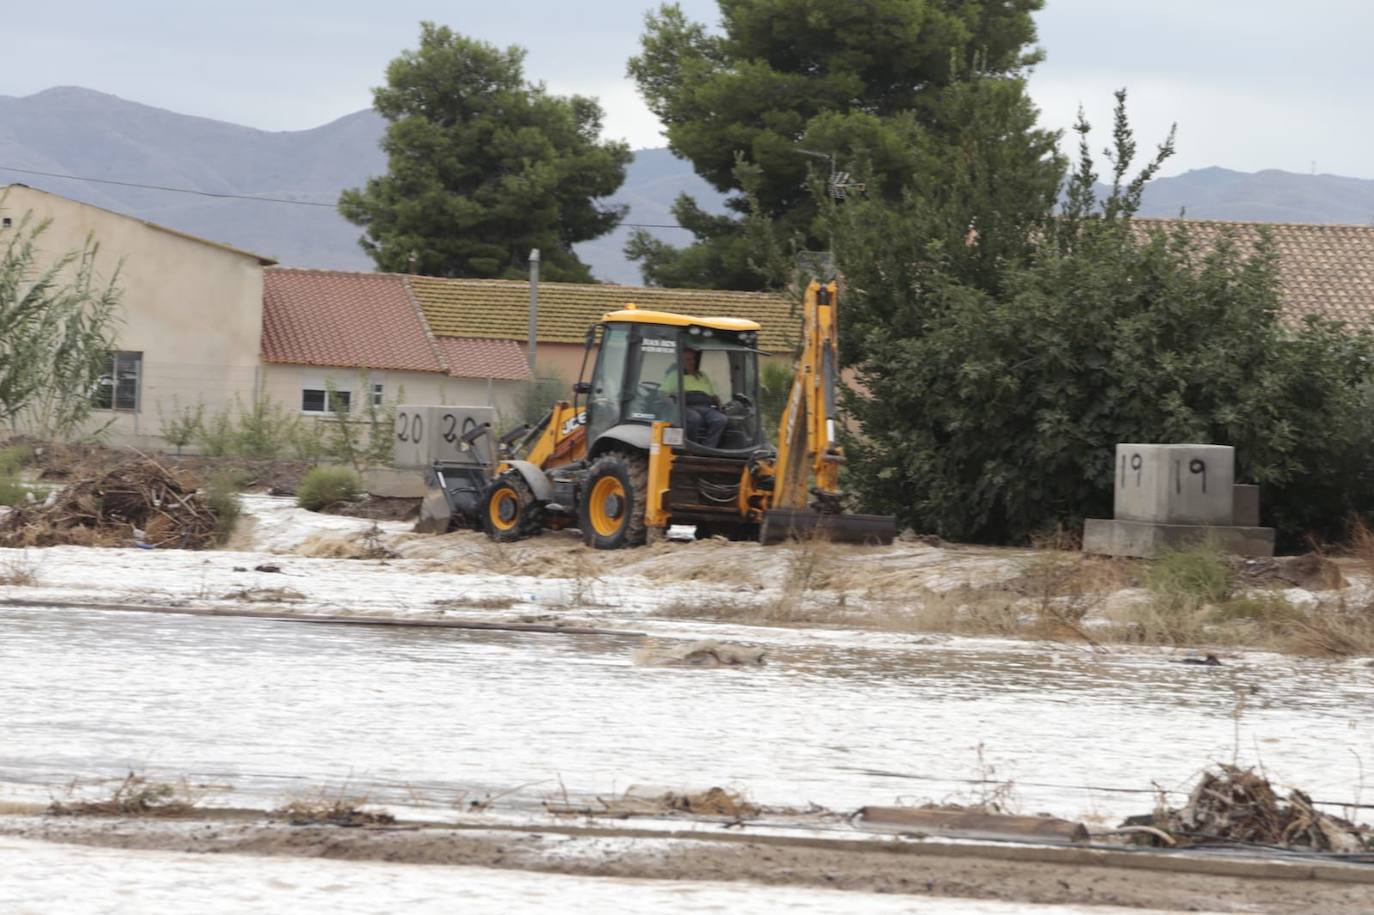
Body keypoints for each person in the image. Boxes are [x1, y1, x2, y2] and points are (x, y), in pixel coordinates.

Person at [664, 346, 727, 448]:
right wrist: (674, 406)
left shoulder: (703, 376)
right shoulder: (675, 375)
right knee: (694, 418)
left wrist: (720, 405)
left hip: (706, 407)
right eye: (688, 360)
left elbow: (712, 394)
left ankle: (708, 448)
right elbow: (663, 393)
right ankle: (692, 446)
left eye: (693, 359)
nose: (692, 362)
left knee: (721, 419)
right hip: (687, 406)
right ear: (681, 361)